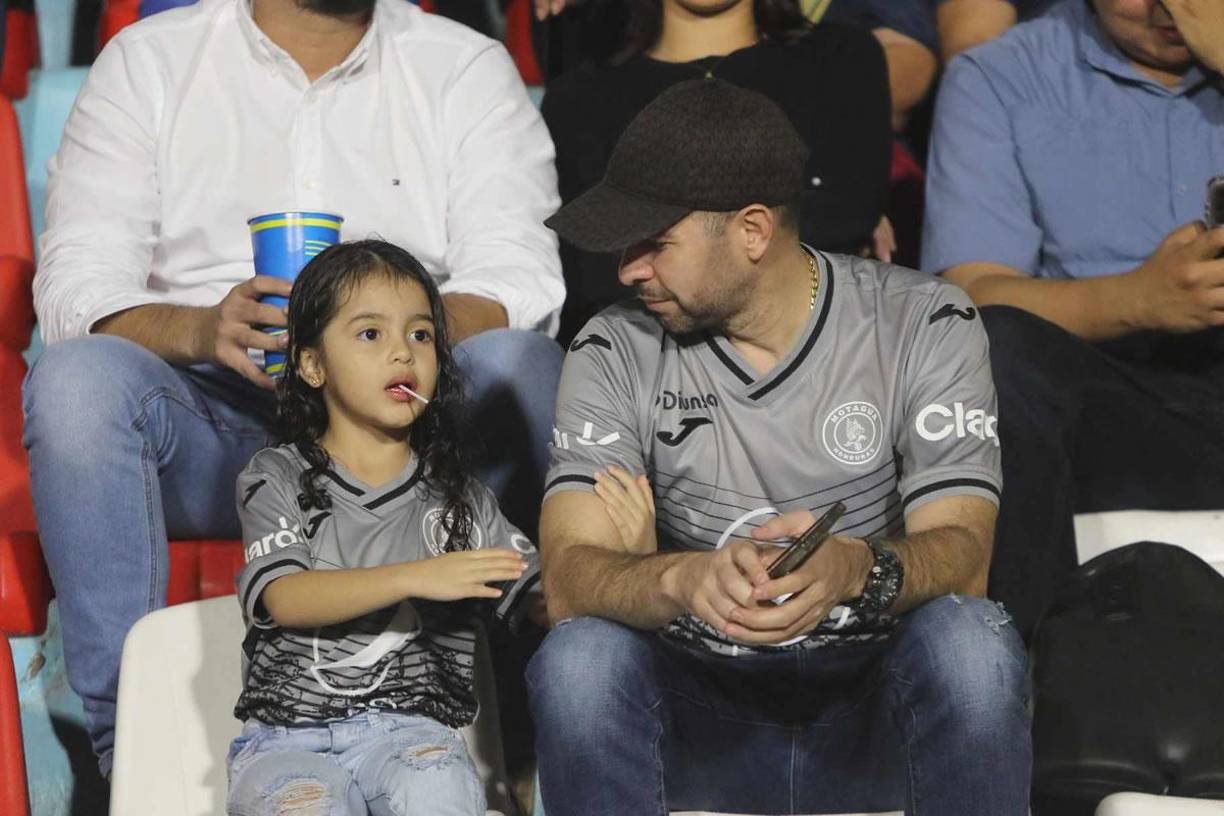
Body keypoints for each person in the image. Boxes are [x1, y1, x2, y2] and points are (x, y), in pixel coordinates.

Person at [22, 0, 563, 777]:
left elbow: (521, 279)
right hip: (210, 413)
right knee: (76, 384)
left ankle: (516, 738)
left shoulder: (463, 65)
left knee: (520, 364)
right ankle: (128, 758)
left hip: (408, 424)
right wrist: (201, 327)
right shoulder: (152, 59)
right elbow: (77, 286)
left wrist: (379, 330)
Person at [528, 79, 1030, 816]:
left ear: (753, 232)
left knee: (973, 644)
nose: (628, 269)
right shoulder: (613, 345)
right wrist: (683, 580)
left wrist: (856, 567)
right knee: (579, 660)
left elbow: (965, 555)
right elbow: (569, 578)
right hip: (699, 717)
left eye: (654, 243)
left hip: (870, 716)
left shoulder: (923, 322)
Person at [923, 0, 1224, 636]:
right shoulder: (1002, 75)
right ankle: (1010, 675)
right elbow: (970, 293)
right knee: (990, 348)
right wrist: (1137, 300)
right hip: (1110, 397)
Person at [226, 240, 539, 815]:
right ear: (312, 364)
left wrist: (629, 557)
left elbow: (542, 600)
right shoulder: (274, 477)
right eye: (371, 334)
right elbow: (285, 597)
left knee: (439, 786)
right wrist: (420, 577)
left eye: (421, 335)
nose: (402, 353)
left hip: (414, 738)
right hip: (285, 742)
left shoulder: (463, 501)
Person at [541, 0, 891, 345]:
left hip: (818, 344)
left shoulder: (842, 59)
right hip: (649, 356)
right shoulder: (577, 98)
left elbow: (844, 220)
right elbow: (593, 268)